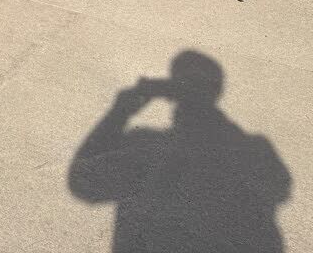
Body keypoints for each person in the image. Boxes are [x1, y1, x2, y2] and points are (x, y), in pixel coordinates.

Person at [68, 51, 290, 252]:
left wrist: (120, 111)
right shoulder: (255, 148)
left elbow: (82, 183)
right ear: (217, 90)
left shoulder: (144, 145)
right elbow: (279, 189)